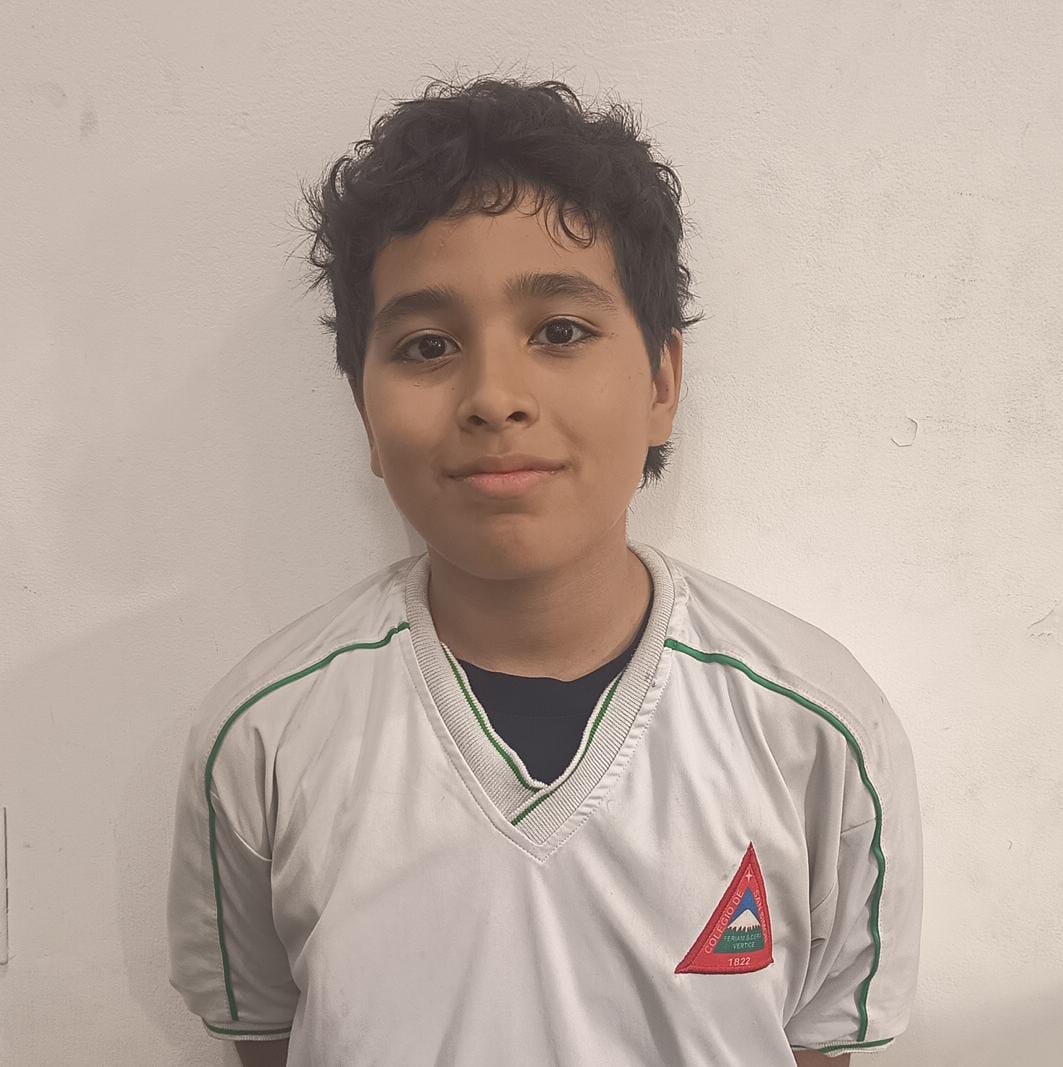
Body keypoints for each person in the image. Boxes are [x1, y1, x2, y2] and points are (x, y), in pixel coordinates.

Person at [166, 74, 922, 1067]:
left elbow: (820, 1045)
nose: (495, 395)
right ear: (365, 415)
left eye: (560, 331)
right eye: (428, 345)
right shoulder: (263, 737)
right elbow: (266, 1035)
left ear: (661, 382)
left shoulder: (817, 728)